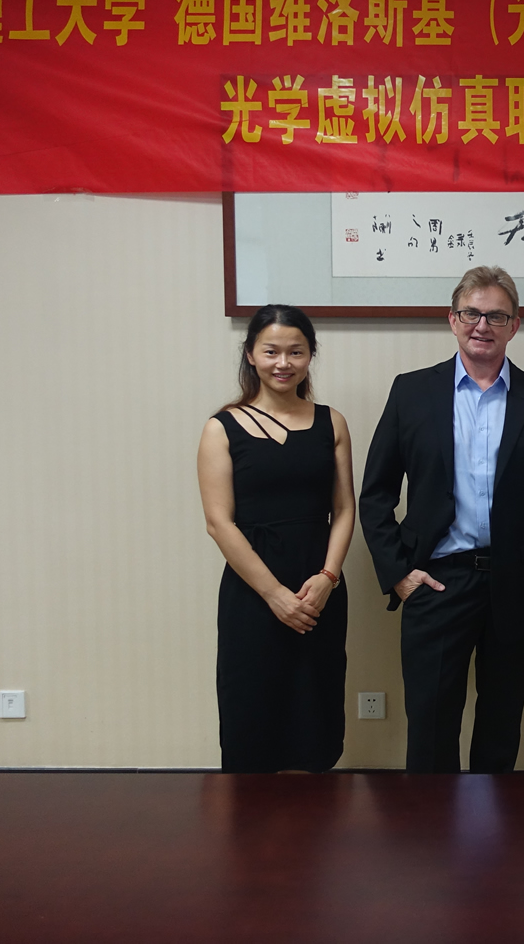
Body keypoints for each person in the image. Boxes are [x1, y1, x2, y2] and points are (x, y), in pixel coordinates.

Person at [360, 266, 524, 773]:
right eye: (471, 314)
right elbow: (374, 495)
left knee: (501, 725)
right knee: (431, 726)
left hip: (515, 586)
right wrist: (399, 573)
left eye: (496, 316)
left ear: (514, 326)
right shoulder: (412, 392)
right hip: (436, 582)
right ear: (453, 320)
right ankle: (432, 822)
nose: (483, 325)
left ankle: (490, 822)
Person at [197, 305, 356, 772]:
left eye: (295, 352)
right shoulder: (221, 427)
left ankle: (315, 815)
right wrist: (275, 595)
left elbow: (345, 509)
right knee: (252, 714)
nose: (283, 363)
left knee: (316, 713)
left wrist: (328, 577)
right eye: (271, 351)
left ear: (310, 356)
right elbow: (218, 523)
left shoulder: (332, 422)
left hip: (318, 590)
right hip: (253, 592)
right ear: (250, 354)